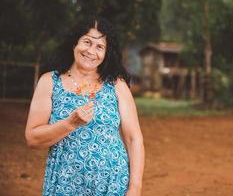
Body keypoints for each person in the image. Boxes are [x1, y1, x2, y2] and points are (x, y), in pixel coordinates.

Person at [25, 16, 144, 196]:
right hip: (65, 184)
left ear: (106, 53)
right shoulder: (50, 81)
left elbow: (134, 139)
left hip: (112, 186)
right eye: (87, 42)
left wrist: (135, 187)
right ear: (74, 43)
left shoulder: (116, 85)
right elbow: (33, 138)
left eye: (99, 47)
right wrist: (69, 124)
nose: (91, 51)